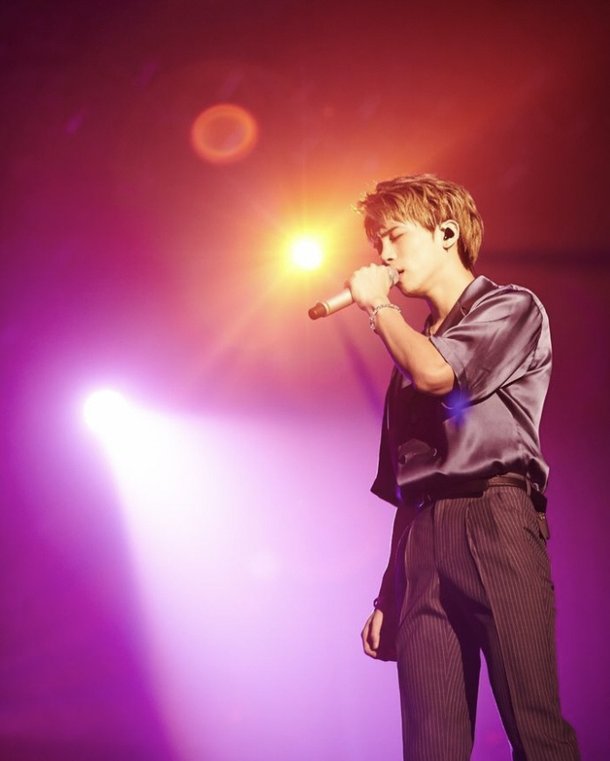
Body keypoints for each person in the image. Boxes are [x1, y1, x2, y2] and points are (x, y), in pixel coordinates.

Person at [348, 175, 579, 761]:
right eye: (377, 244)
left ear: (446, 234)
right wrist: (388, 594)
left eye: (396, 236)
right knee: (432, 743)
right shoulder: (409, 351)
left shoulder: (510, 307)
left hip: (494, 518)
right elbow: (408, 489)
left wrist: (379, 307)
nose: (384, 255)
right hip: (423, 541)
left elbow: (439, 374)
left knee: (535, 727)